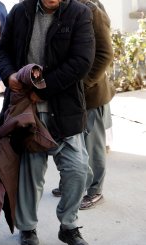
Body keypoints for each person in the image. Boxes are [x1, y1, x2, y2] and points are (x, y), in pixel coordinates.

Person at [0, 0, 95, 244]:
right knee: (31, 172)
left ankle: (68, 225)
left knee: (77, 169)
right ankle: (27, 228)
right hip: (27, 111)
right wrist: (8, 74)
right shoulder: (20, 11)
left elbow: (81, 61)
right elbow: (2, 50)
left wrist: (44, 89)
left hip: (65, 109)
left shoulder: (80, 13)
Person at [51, 0, 115, 211]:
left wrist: (84, 84)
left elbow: (105, 55)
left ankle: (95, 191)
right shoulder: (60, 7)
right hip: (68, 92)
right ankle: (75, 184)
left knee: (93, 146)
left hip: (91, 94)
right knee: (72, 142)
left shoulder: (91, 9)